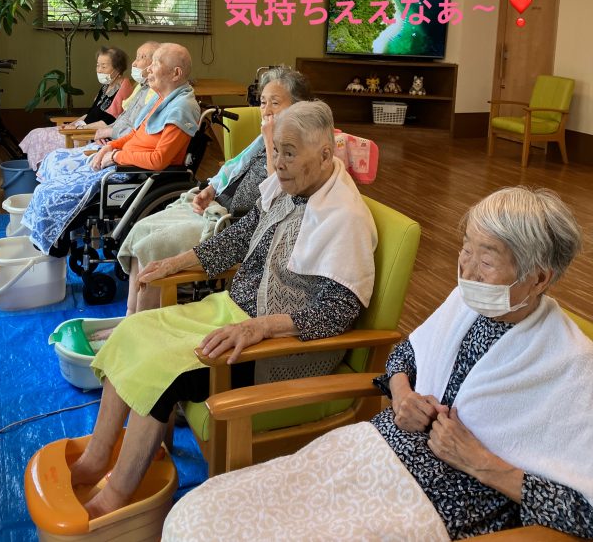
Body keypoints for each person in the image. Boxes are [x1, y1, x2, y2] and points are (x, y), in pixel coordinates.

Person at [162, 186, 593, 542]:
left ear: (539, 278)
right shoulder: (468, 303)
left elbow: (583, 513)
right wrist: (402, 396)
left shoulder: (570, 366)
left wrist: (480, 462)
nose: (467, 271)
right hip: (378, 449)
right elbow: (408, 354)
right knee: (198, 514)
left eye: (486, 260)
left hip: (440, 500)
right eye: (465, 250)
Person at [68, 101, 377, 519]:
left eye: (289, 153)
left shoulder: (345, 217)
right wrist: (177, 262)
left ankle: (116, 495)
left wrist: (261, 328)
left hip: (281, 350)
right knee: (131, 332)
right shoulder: (289, 189)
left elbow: (337, 312)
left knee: (164, 369)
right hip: (232, 314)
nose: (278, 163)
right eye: (275, 151)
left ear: (325, 154)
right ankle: (97, 456)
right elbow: (239, 237)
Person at [117, 66, 312, 314]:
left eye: (275, 103)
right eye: (263, 103)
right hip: (214, 207)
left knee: (153, 246)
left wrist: (270, 140)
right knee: (140, 229)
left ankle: (142, 323)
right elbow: (235, 165)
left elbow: (278, 200)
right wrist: (211, 188)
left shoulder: (300, 146)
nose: (267, 110)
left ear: (298, 107)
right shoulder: (266, 137)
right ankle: (130, 316)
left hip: (232, 224)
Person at [22, 44, 199, 254]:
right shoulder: (162, 99)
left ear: (176, 73)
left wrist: (115, 156)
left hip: (137, 174)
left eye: (155, 63)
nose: (149, 69)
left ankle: (53, 246)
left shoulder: (181, 109)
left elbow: (159, 160)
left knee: (50, 193)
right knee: (54, 180)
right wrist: (110, 147)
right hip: (124, 164)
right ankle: (53, 241)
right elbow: (136, 134)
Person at [19, 46, 133, 169]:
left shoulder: (124, 87)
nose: (99, 70)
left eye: (104, 66)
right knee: (35, 133)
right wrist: (72, 124)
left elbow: (110, 122)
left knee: (39, 137)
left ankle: (42, 171)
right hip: (80, 129)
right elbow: (91, 113)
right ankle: (41, 172)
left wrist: (78, 128)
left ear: (118, 68)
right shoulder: (106, 86)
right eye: (97, 65)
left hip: (86, 135)